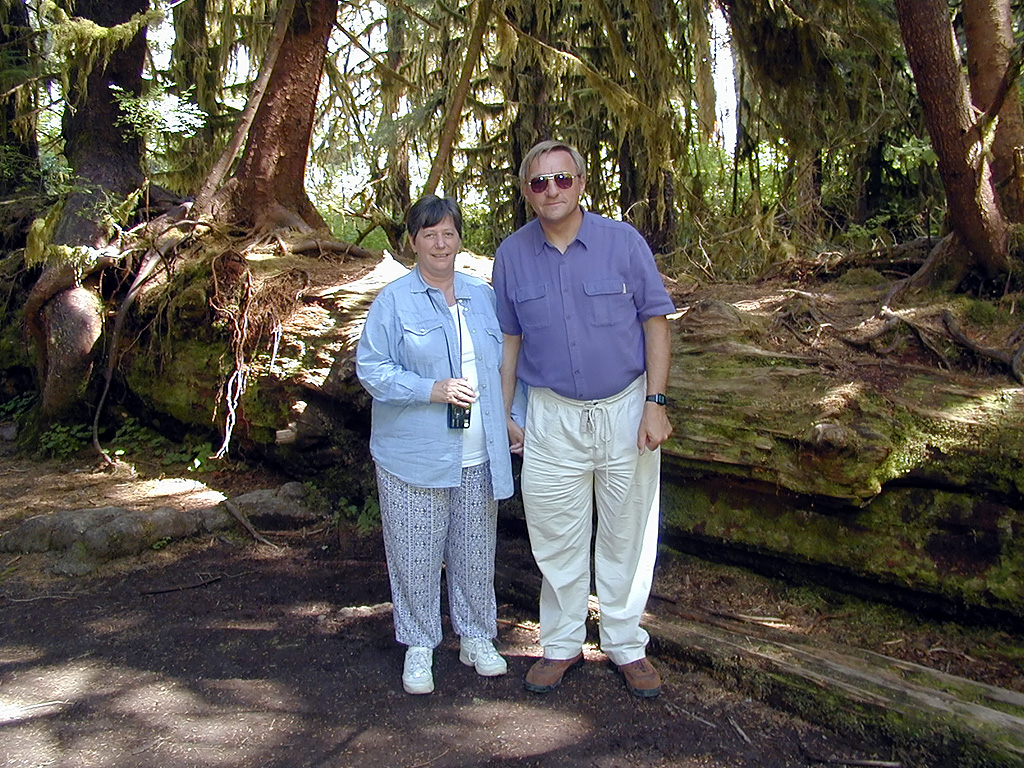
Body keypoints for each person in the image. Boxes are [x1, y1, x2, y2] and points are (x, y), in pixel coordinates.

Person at [492, 140, 675, 698]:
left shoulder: (623, 243)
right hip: (552, 416)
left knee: (628, 533)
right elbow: (508, 342)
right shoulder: (512, 255)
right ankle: (562, 643)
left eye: (562, 179)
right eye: (539, 182)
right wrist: (503, 415)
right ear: (527, 191)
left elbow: (656, 323)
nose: (551, 190)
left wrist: (656, 403)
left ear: (581, 183)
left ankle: (625, 643)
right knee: (555, 536)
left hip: (626, 407)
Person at [356, 194, 514, 695]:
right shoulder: (394, 301)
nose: (440, 243)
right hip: (413, 454)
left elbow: (508, 364)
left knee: (473, 551)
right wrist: (431, 389)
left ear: (460, 239)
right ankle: (420, 645)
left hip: (477, 453)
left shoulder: (482, 295)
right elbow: (372, 369)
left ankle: (476, 637)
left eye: (448, 233)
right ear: (412, 242)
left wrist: (511, 418)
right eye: (429, 235)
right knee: (415, 554)